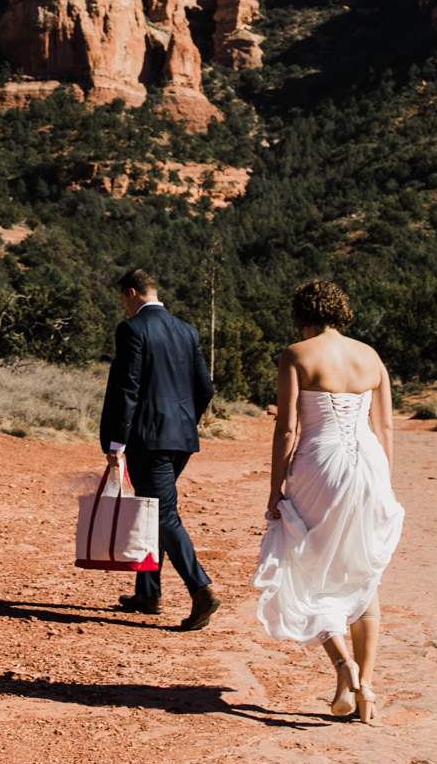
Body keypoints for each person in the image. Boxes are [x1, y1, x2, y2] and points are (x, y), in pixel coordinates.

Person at [253, 280, 405, 723]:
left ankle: (344, 667)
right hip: (370, 468)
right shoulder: (370, 356)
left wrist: (275, 488)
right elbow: (387, 427)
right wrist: (384, 483)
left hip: (320, 464)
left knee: (309, 569)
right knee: (363, 572)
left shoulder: (296, 355)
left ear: (301, 315)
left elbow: (286, 429)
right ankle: (367, 690)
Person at [99, 268, 221, 630]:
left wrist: (116, 443)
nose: (123, 305)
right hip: (180, 438)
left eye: (123, 298)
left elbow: (128, 388)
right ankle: (148, 593)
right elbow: (205, 389)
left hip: (146, 439)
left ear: (132, 292)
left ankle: (201, 590)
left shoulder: (132, 329)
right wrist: (184, 421)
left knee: (162, 514)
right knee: (153, 510)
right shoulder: (187, 331)